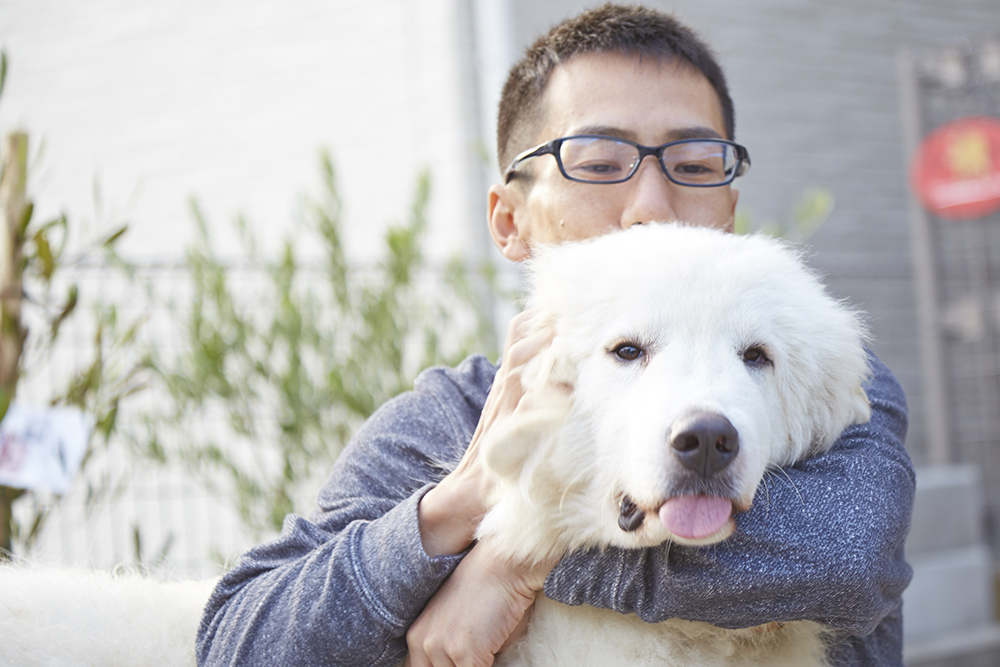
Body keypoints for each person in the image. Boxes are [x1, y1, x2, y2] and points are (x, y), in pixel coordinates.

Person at [196, 5, 914, 666]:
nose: (652, 209)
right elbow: (239, 642)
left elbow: (850, 554)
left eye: (693, 166)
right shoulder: (445, 420)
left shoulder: (811, 365)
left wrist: (512, 555)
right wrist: (458, 503)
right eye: (599, 164)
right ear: (510, 220)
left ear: (728, 210)